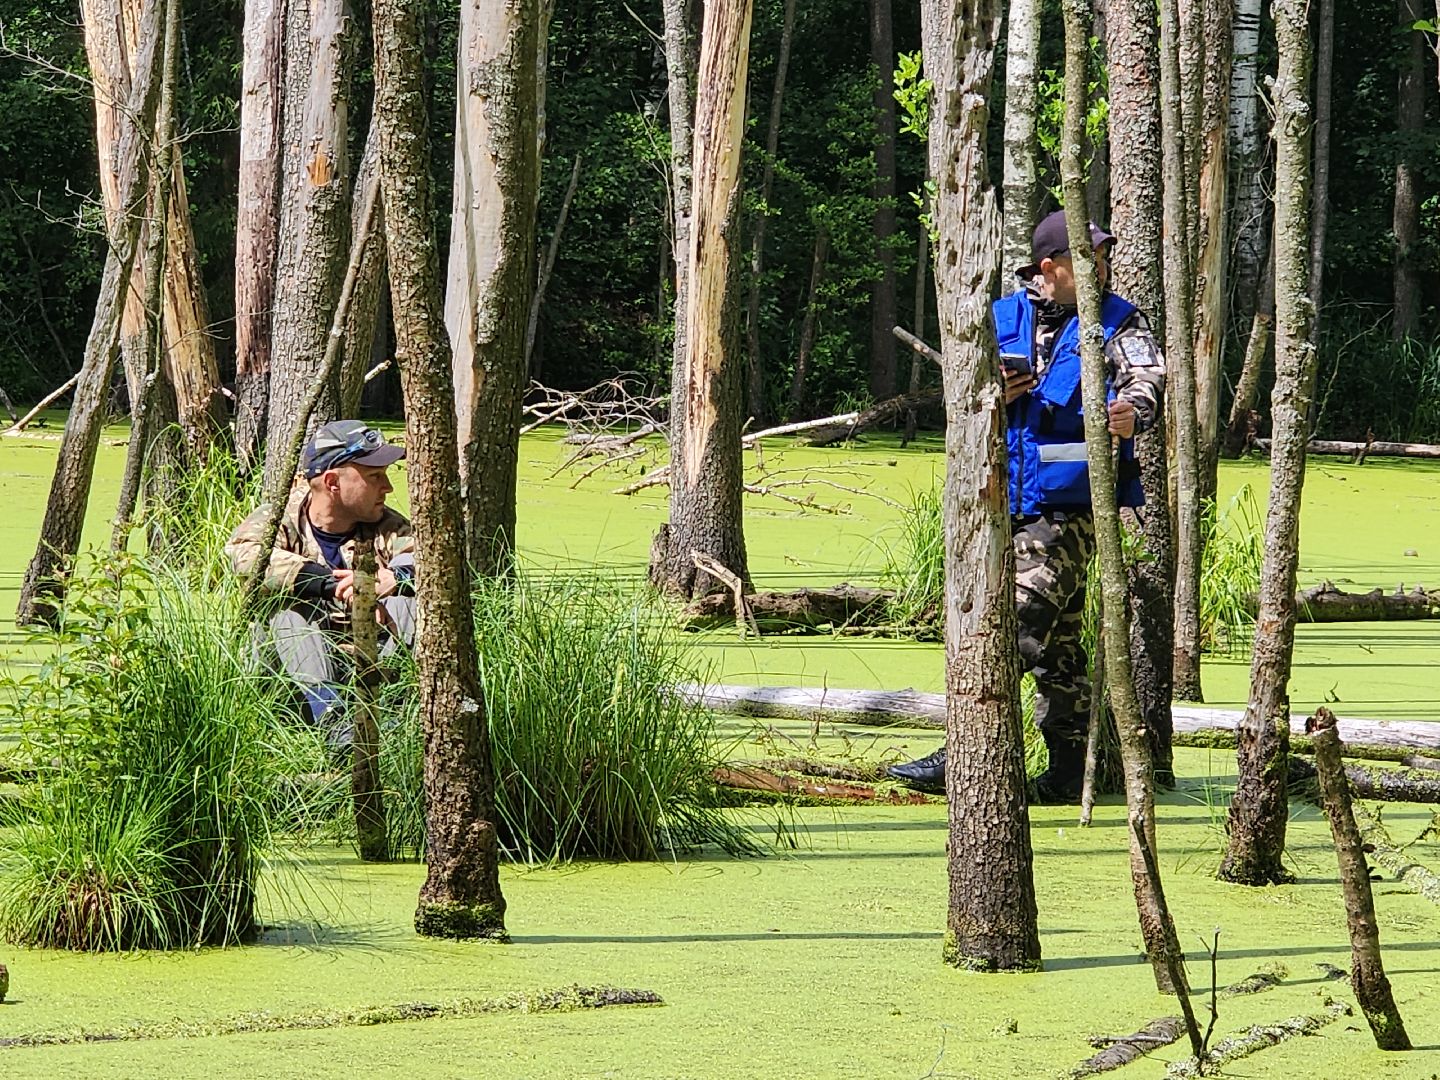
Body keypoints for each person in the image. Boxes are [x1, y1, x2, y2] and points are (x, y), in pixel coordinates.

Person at [887, 209, 1166, 802]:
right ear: (1050, 268)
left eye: (1102, 257)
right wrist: (991, 391)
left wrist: (1130, 412)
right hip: (997, 505)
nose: (1101, 268)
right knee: (1059, 645)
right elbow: (959, 395)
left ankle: (962, 751)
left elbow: (1147, 378)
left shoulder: (1116, 320)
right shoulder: (1000, 317)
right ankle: (1071, 768)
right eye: (1086, 259)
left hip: (1069, 510)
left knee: (1016, 621)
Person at [226, 420, 417, 743]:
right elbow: (243, 556)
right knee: (284, 609)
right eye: (374, 477)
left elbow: (429, 563)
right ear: (332, 482)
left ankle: (389, 715)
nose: (387, 487)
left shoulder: (389, 525)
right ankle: (332, 722)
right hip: (295, 680)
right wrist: (332, 584)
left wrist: (392, 580)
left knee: (409, 601)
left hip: (369, 662)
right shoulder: (281, 518)